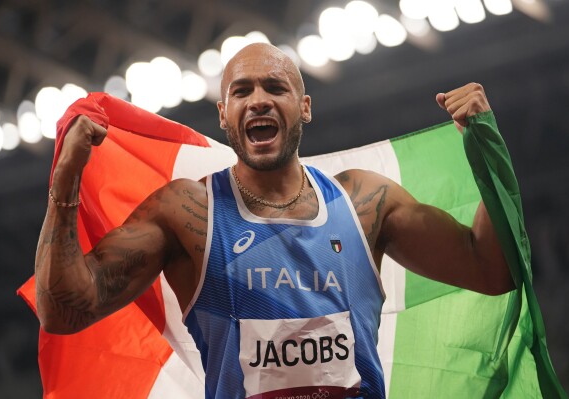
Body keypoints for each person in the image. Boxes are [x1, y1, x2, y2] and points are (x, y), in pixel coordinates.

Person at [35, 43, 514, 398]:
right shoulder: (186, 213)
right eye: (241, 91)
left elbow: (491, 268)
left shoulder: (366, 202)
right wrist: (65, 184)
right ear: (224, 115)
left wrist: (489, 156)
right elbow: (65, 311)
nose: (258, 100)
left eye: (275, 87)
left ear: (304, 107)